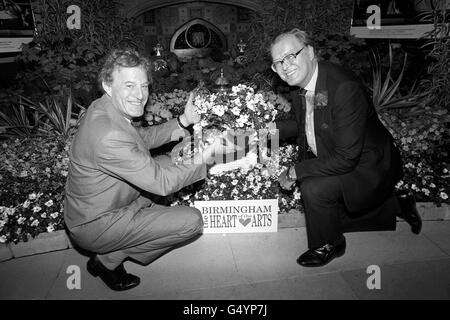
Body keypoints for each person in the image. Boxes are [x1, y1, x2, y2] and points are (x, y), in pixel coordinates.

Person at [64, 48, 229, 291]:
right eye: (129, 85)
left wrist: (183, 120)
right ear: (108, 85)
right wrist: (204, 158)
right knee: (191, 222)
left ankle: (109, 257)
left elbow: (140, 138)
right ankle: (108, 261)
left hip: (104, 204)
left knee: (168, 161)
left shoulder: (104, 108)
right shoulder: (108, 134)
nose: (140, 95)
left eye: (144, 86)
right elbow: (162, 182)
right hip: (96, 223)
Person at [270, 28, 422, 267]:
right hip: (344, 153)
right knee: (320, 189)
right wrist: (267, 130)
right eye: (278, 62)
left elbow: (346, 158)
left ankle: (329, 244)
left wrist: (294, 171)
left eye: (291, 56)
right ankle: (398, 201)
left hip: (368, 163)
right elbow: (305, 123)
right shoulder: (308, 81)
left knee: (314, 188)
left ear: (309, 52)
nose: (285, 66)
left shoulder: (343, 89)